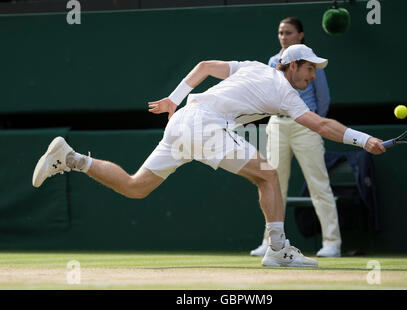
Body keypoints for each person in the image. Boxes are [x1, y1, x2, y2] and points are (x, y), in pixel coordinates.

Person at [32, 44, 385, 268]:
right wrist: (363, 139)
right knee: (268, 173)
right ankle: (278, 248)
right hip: (204, 125)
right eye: (309, 67)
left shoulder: (250, 65)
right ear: (291, 65)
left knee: (136, 186)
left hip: (184, 119)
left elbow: (203, 65)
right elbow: (321, 124)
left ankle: (74, 158)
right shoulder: (285, 91)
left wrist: (173, 98)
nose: (312, 74)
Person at [250, 17, 342, 258]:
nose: (283, 37)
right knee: (272, 183)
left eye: (288, 32)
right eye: (280, 32)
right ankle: (271, 243)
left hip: (306, 126)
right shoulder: (273, 62)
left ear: (300, 35)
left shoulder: (310, 62)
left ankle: (332, 242)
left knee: (318, 184)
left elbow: (323, 97)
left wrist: (313, 121)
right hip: (277, 126)